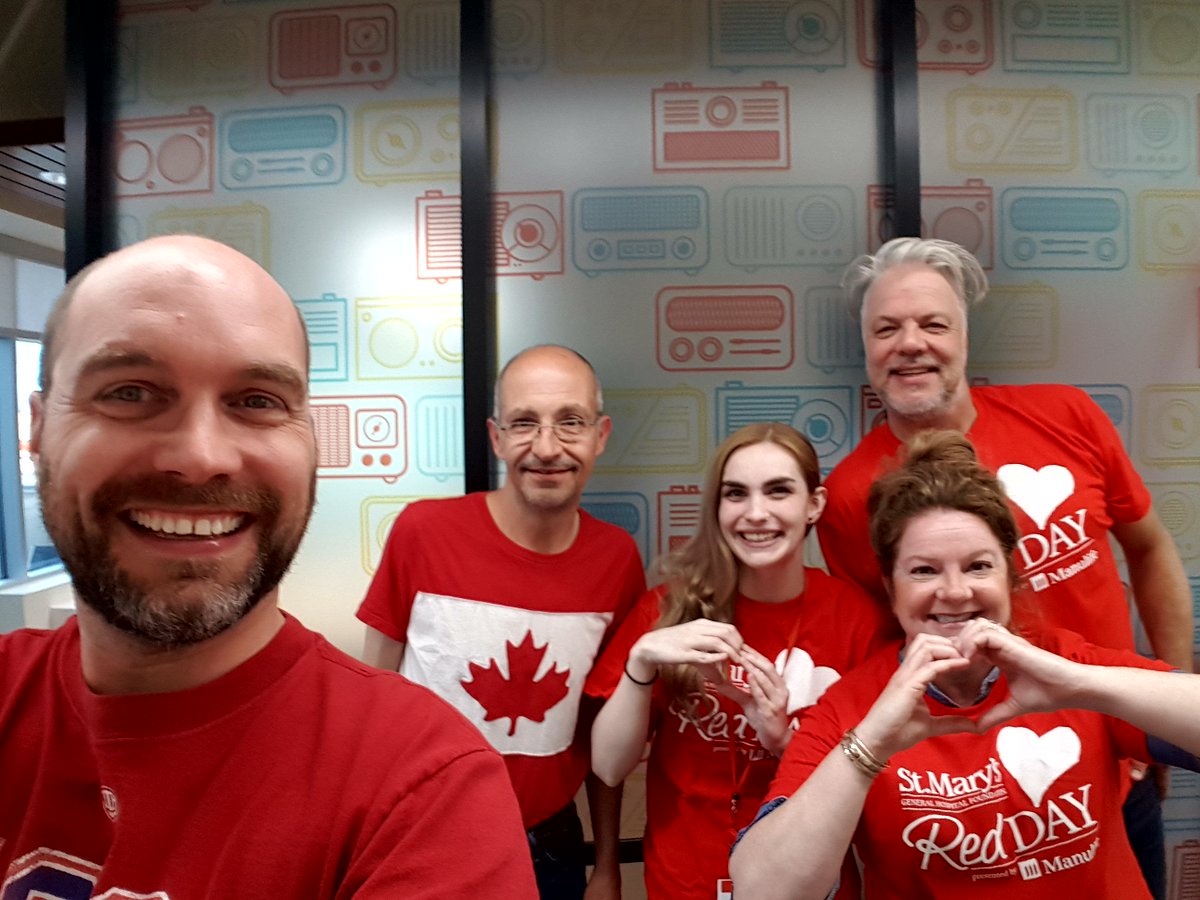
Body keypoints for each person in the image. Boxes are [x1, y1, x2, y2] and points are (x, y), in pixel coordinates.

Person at [0, 235, 536, 896]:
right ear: (35, 427)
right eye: (130, 392)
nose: (200, 457)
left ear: (310, 441)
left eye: (256, 401)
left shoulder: (422, 794)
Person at [816, 236, 1192, 897]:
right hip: (966, 801)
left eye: (933, 323)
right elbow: (887, 649)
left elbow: (1152, 548)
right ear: (866, 350)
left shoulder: (1067, 415)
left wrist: (1164, 699)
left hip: (1107, 761)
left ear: (964, 337)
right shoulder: (849, 495)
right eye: (887, 328)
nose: (911, 343)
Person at [730, 430, 1200, 900]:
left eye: (978, 566)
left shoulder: (1066, 662)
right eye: (924, 570)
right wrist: (870, 745)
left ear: (1010, 576)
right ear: (891, 590)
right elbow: (763, 891)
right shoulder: (850, 709)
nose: (955, 592)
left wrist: (1082, 686)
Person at [357, 344, 646, 900]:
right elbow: (370, 702)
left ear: (601, 435)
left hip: (550, 844)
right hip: (421, 833)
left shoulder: (617, 560)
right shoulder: (423, 533)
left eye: (570, 422)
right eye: (523, 423)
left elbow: (599, 729)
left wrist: (605, 863)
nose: (546, 447)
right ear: (495, 437)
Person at [587, 423, 893, 899]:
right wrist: (641, 660)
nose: (756, 514)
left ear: (814, 505)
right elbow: (608, 767)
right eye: (736, 494)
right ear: (717, 508)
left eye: (778, 492)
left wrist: (782, 739)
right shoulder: (666, 611)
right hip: (683, 884)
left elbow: (880, 792)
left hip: (808, 886)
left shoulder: (860, 621)